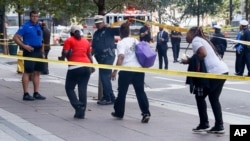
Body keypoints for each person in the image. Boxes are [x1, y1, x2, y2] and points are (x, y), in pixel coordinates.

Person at [183, 27, 229, 134]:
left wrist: (189, 60)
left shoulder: (196, 41)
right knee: (213, 98)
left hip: (214, 73)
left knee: (200, 96)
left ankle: (204, 123)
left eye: (187, 34)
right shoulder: (202, 39)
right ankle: (219, 125)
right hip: (223, 71)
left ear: (193, 33)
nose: (186, 37)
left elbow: (203, 53)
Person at [111, 23, 151, 123]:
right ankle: (146, 113)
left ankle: (119, 112)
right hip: (138, 69)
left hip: (126, 70)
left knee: (122, 92)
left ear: (120, 33)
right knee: (140, 92)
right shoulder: (135, 41)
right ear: (129, 32)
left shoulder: (121, 43)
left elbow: (121, 57)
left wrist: (115, 71)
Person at [58, 25, 94, 119]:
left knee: (69, 88)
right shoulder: (86, 41)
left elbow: (65, 52)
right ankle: (81, 113)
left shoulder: (69, 40)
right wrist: (92, 65)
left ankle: (77, 105)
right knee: (82, 89)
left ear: (71, 33)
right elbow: (89, 54)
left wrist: (62, 58)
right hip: (87, 67)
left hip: (74, 67)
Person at [13, 10, 46, 101]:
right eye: (33, 16)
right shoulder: (25, 26)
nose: (35, 18)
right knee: (28, 72)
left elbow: (41, 38)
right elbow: (15, 37)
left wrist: (42, 51)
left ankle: (36, 93)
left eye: (36, 16)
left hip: (38, 51)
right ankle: (26, 94)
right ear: (30, 17)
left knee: (37, 72)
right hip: (29, 51)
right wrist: (24, 46)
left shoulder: (40, 25)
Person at [92, 15, 119, 105]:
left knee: (104, 77)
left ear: (103, 22)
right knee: (105, 78)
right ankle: (111, 96)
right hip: (100, 58)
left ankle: (107, 97)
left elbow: (120, 31)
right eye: (97, 23)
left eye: (99, 23)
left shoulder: (109, 30)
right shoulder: (96, 33)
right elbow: (94, 46)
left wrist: (112, 26)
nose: (98, 25)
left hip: (108, 56)